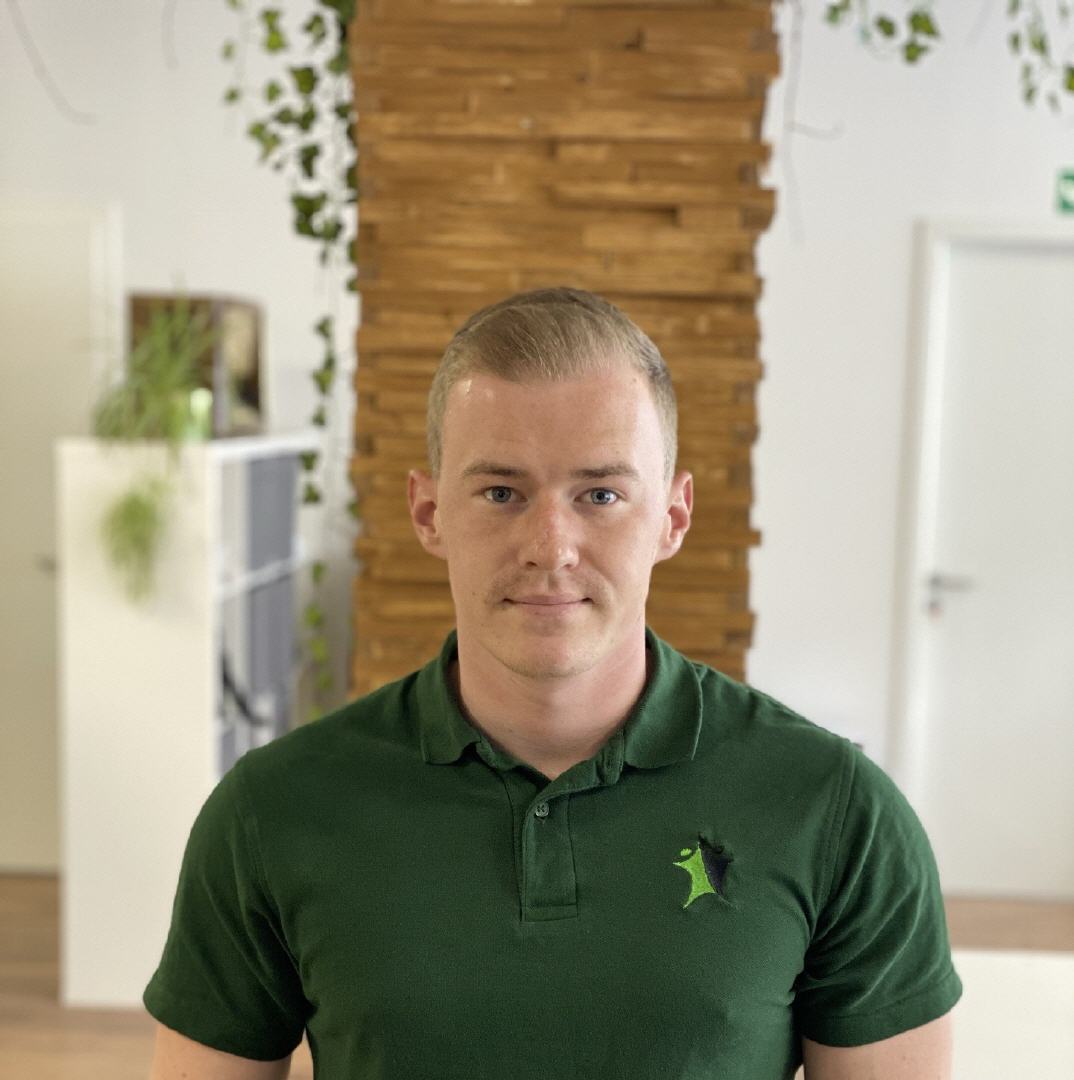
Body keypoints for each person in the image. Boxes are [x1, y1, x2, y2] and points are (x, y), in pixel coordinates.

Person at [145, 287, 962, 1079]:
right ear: (429, 513)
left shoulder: (835, 810)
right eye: (501, 492)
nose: (551, 546)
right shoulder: (274, 810)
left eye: (601, 494)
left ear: (672, 517)